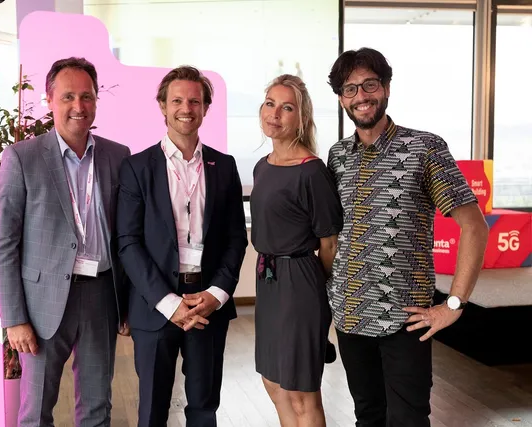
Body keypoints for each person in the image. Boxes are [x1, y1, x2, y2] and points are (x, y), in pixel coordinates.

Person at [326, 47, 489, 426]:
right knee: (367, 416)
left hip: (406, 318)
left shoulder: (424, 148)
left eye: (370, 85)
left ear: (386, 88)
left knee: (408, 420)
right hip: (350, 315)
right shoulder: (338, 156)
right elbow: (333, 237)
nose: (361, 96)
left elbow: (474, 226)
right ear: (341, 99)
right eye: (350, 89)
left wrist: (453, 304)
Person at [0, 57, 131, 427]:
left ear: (96, 100)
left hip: (101, 295)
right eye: (68, 96)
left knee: (98, 408)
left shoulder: (118, 156)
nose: (78, 106)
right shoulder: (22, 158)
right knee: (36, 412)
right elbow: (3, 243)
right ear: (50, 100)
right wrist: (14, 318)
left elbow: (127, 236)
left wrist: (128, 302)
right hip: (41, 304)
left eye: (87, 96)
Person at [116, 65, 248, 427]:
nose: (185, 108)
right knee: (152, 410)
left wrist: (217, 294)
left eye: (194, 101)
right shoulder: (137, 167)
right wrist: (168, 302)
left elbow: (236, 238)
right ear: (162, 106)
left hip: (208, 303)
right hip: (155, 304)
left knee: (204, 407)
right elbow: (128, 243)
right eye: (177, 101)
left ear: (205, 108)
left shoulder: (224, 166)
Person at [250, 74, 343, 427]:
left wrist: (310, 285)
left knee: (301, 392)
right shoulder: (262, 166)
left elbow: (329, 244)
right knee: (273, 382)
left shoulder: (312, 172)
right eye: (270, 104)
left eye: (286, 107)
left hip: (299, 281)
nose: (275, 114)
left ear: (302, 118)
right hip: (268, 280)